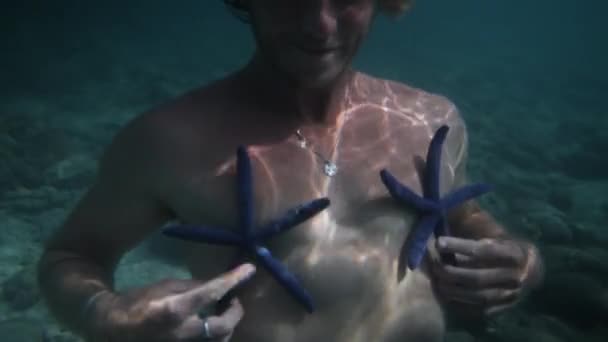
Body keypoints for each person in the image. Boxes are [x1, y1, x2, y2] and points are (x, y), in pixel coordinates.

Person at [37, 0, 544, 341]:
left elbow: (463, 213)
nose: (320, 24)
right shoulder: (168, 140)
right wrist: (102, 315)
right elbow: (71, 254)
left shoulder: (432, 120)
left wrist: (521, 261)